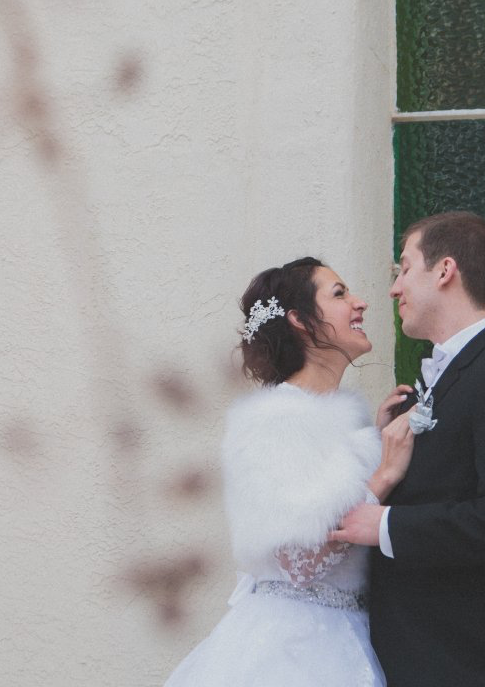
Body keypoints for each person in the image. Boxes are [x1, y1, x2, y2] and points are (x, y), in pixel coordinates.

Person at [329, 211, 485, 687]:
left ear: (444, 271)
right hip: (414, 658)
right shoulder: (446, 380)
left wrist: (388, 525)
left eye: (404, 267)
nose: (394, 289)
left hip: (468, 664)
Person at [164, 257, 417, 687]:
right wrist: (384, 476)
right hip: (298, 650)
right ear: (300, 320)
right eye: (339, 294)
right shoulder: (275, 419)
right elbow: (300, 562)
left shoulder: (333, 417)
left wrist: (372, 441)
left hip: (347, 635)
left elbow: (328, 486)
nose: (360, 304)